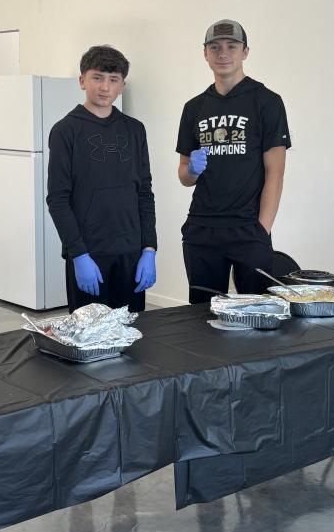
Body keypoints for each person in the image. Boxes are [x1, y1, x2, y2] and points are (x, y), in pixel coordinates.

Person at [176, 19, 291, 303]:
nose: (223, 53)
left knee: (256, 314)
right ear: (205, 53)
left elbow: (275, 173)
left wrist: (262, 230)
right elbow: (184, 176)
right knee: (202, 315)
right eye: (215, 47)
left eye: (231, 46)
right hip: (202, 229)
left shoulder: (267, 101)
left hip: (248, 228)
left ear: (245, 52)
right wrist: (192, 170)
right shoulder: (194, 108)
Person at [47, 45, 157, 312]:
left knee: (132, 332)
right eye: (97, 78)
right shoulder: (65, 131)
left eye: (113, 79)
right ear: (82, 80)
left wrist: (149, 249)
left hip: (131, 253)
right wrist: (78, 254)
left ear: (122, 86)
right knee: (90, 333)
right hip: (90, 253)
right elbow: (58, 200)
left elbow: (144, 192)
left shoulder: (135, 130)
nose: (105, 87)